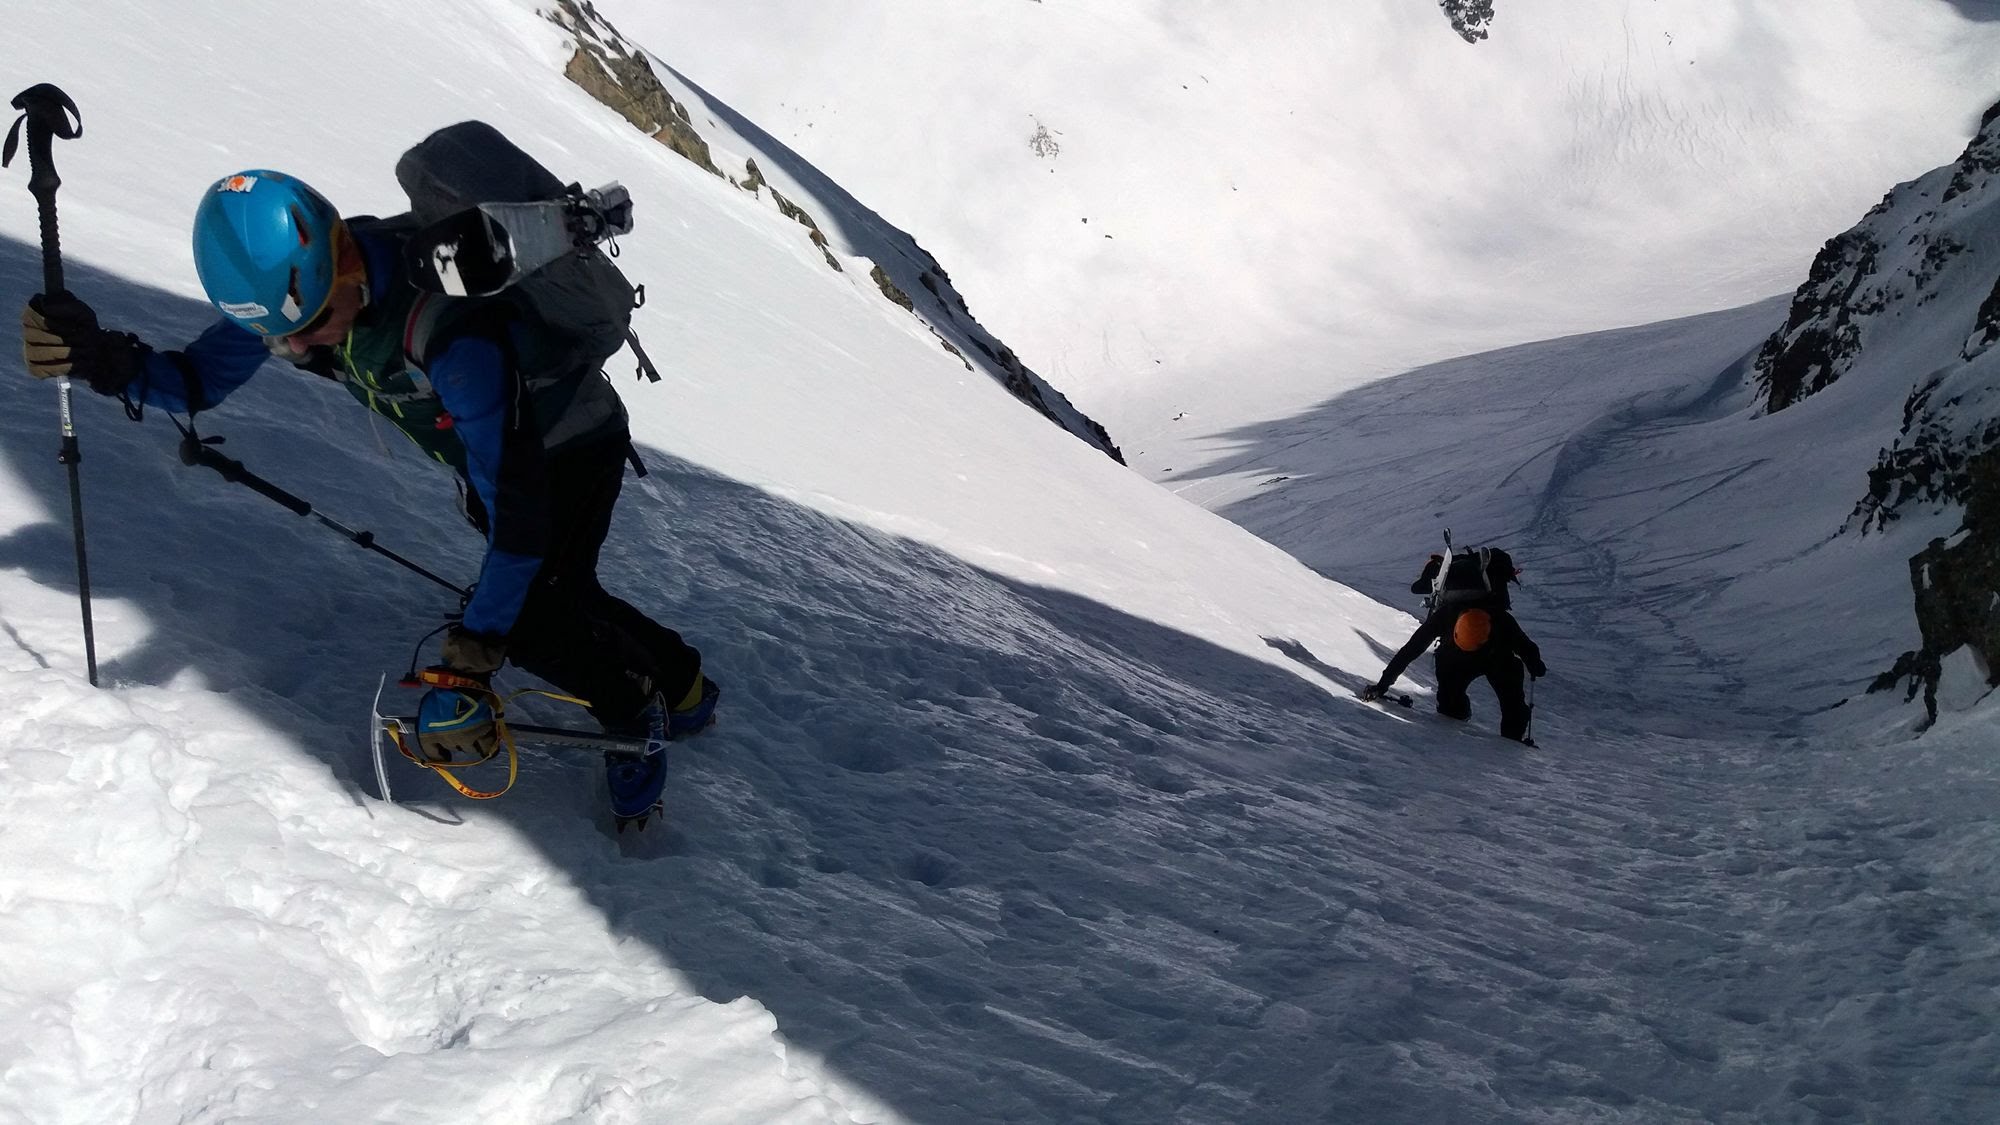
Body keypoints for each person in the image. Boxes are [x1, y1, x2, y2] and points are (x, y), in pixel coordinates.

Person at [19, 169, 717, 785]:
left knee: (536, 613)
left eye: (308, 327)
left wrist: (470, 661)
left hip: (570, 445)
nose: (292, 349)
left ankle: (635, 714)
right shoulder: (298, 297)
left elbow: (522, 516)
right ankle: (683, 685)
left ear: (343, 261)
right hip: (491, 453)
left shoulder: (449, 334)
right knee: (556, 590)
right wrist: (102, 360)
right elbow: (199, 378)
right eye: (276, 336)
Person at [1363, 551, 1545, 744]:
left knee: (1451, 704)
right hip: (1495, 657)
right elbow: (1527, 647)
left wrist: (1383, 685)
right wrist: (1535, 665)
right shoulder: (1498, 619)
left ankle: (1461, 724)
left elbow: (1411, 650)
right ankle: (1512, 742)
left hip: (1459, 659)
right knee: (1512, 707)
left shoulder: (1448, 616)